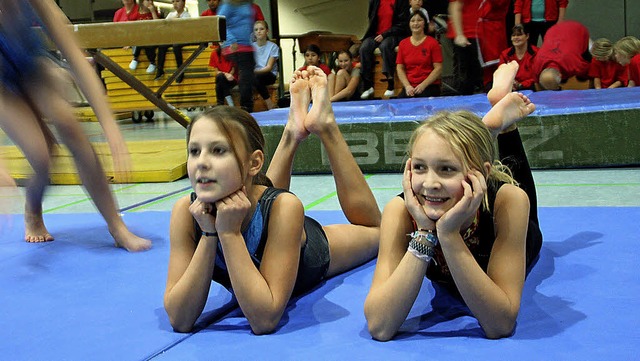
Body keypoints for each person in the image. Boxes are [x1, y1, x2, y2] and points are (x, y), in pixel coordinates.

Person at [164, 66, 381, 334]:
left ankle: (325, 126)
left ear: (255, 162)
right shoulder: (186, 213)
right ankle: (292, 132)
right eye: (194, 151)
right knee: (260, 198)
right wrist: (210, 234)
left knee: (378, 232)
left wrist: (229, 234)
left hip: (306, 249)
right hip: (261, 211)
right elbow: (179, 318)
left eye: (218, 150)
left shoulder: (285, 207)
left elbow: (264, 319)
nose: (202, 163)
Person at [364, 61, 542, 340]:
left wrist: (447, 234)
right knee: (467, 163)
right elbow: (379, 325)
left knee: (513, 189)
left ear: (477, 173)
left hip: (501, 212)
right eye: (420, 167)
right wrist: (424, 232)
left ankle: (502, 129)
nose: (430, 184)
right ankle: (488, 129)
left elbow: (500, 323)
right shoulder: (399, 210)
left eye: (446, 169)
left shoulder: (507, 203)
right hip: (474, 176)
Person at [0, 0, 151, 251]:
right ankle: (33, 208)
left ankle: (116, 226)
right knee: (42, 155)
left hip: (30, 63)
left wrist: (110, 127)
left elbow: (76, 59)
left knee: (69, 124)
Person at [359, 0, 411, 99]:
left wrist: (385, 34)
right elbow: (372, 19)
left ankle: (390, 83)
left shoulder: (401, 2)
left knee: (385, 45)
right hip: (377, 34)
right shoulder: (374, 1)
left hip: (394, 34)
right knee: (364, 48)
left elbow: (403, 24)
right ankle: (368, 85)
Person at [217, 0, 257, 112]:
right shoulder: (227, 5)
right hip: (235, 45)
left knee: (248, 75)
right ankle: (246, 107)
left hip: (247, 44)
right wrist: (231, 40)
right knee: (245, 74)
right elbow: (220, 22)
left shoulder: (246, 3)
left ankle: (245, 105)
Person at [532, 20, 591, 90]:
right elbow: (536, 83)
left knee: (582, 78)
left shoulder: (575, 65)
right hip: (553, 31)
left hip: (576, 30)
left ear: (560, 75)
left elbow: (586, 67)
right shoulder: (536, 65)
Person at [396, 11, 443, 98]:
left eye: (419, 20)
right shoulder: (403, 44)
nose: (416, 23)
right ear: (409, 24)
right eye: (412, 21)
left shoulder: (433, 43)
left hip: (429, 86)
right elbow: (400, 68)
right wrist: (407, 86)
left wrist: (423, 85)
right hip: (410, 87)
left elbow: (438, 68)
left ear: (424, 23)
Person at [154, 0, 190, 83]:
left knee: (176, 46)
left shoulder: (187, 15)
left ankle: (180, 71)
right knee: (162, 45)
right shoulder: (170, 15)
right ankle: (160, 70)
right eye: (173, 1)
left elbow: (184, 30)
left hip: (183, 39)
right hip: (172, 38)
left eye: (177, 1)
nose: (175, 3)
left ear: (184, 3)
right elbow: (164, 27)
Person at [499, 24, 538, 91]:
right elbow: (501, 74)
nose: (516, 37)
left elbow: (538, 76)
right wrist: (511, 82)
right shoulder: (505, 54)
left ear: (527, 36)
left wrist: (521, 85)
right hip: (511, 87)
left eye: (519, 35)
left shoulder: (537, 53)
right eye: (513, 35)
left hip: (532, 86)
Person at [252, 20, 280, 110]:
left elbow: (268, 67)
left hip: (269, 74)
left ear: (267, 31)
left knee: (256, 78)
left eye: (261, 29)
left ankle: (269, 102)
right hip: (256, 74)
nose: (258, 31)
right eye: (256, 30)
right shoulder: (251, 47)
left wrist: (253, 72)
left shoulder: (273, 46)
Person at [128, 0, 160, 74]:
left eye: (151, 0)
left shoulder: (154, 13)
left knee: (148, 45)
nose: (150, 2)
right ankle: (135, 58)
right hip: (141, 37)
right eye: (148, 0)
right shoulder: (137, 14)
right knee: (139, 40)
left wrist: (152, 12)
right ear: (142, 2)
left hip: (152, 38)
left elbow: (158, 24)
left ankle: (152, 62)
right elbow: (132, 28)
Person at [210, 43, 237, 107]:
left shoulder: (233, 51)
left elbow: (233, 69)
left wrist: (229, 75)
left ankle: (220, 104)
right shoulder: (214, 53)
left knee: (219, 84)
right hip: (222, 76)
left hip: (232, 78)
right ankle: (229, 102)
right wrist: (225, 74)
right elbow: (216, 71)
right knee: (220, 77)